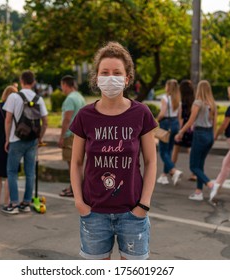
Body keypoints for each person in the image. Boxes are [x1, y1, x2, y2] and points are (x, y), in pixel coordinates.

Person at [70, 42, 157, 260]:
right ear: (96, 78)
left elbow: (151, 161)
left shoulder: (142, 114)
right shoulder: (84, 116)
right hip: (94, 213)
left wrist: (143, 205)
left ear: (127, 78)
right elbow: (76, 162)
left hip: (132, 213)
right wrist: (79, 202)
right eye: (105, 73)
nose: (111, 78)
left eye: (117, 73)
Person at [1, 70, 48, 214]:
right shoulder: (39, 98)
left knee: (12, 172)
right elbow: (45, 121)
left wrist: (7, 139)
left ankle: (14, 204)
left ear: (21, 81)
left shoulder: (14, 97)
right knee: (30, 173)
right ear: (33, 82)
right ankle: (26, 203)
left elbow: (8, 120)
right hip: (32, 140)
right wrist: (39, 137)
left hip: (16, 139)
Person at [175, 80, 218, 201]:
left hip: (200, 134)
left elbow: (190, 120)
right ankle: (198, 192)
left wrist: (181, 132)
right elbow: (215, 123)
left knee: (193, 167)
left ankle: (210, 184)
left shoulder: (198, 103)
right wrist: (213, 137)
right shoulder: (213, 104)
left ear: (199, 89)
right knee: (200, 165)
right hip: (209, 135)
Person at [58, 75, 86, 197]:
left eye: (62, 85)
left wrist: (61, 136)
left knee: (72, 164)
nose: (61, 88)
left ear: (65, 84)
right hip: (80, 134)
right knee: (78, 163)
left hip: (70, 135)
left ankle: (74, 189)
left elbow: (67, 119)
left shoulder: (70, 99)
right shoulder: (80, 97)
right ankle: (75, 187)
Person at [155, 79, 183, 186]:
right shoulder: (178, 100)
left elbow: (162, 113)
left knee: (162, 151)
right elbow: (179, 117)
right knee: (169, 150)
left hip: (166, 124)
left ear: (168, 87)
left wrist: (156, 119)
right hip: (175, 124)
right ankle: (164, 175)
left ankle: (174, 170)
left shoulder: (165, 98)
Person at [172, 80, 196, 181]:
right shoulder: (195, 102)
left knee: (176, 149)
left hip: (183, 129)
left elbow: (181, 118)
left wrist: (180, 131)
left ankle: (171, 168)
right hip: (192, 129)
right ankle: (194, 173)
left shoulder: (182, 104)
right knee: (191, 150)